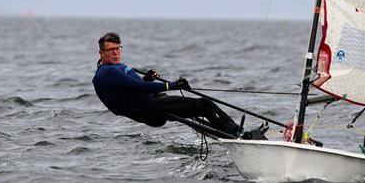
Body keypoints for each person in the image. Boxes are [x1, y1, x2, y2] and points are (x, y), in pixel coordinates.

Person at [92, 32, 266, 139]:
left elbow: (136, 86)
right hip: (149, 108)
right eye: (110, 50)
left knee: (199, 110)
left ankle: (231, 134)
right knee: (203, 105)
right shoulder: (107, 72)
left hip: (154, 102)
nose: (115, 52)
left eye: (118, 48)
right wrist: (173, 85)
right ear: (102, 53)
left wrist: (148, 79)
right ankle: (238, 134)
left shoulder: (117, 67)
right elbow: (139, 89)